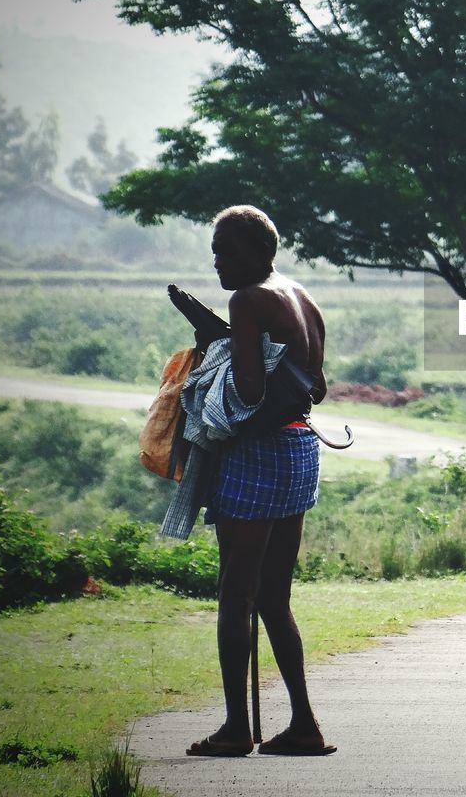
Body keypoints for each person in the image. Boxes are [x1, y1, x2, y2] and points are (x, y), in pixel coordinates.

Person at [186, 205, 336, 758]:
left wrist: (215, 355)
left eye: (225, 248)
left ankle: (234, 729)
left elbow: (247, 395)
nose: (217, 260)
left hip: (259, 452)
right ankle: (303, 725)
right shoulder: (301, 296)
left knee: (235, 591)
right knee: (274, 595)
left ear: (255, 250)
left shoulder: (247, 300)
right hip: (300, 449)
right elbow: (315, 386)